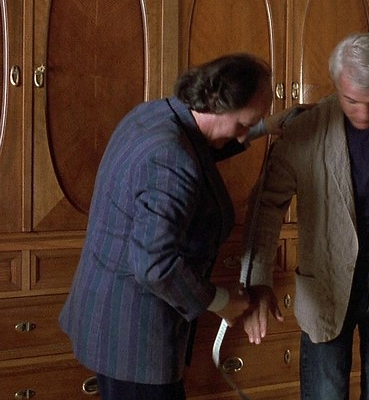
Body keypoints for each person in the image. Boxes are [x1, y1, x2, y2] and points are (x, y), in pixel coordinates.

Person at [59, 53, 283, 400]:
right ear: (218, 105)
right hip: (134, 337)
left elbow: (201, 145)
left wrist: (267, 126)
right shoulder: (171, 158)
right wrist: (221, 301)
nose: (242, 138)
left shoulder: (154, 115)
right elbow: (156, 265)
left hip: (108, 316)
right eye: (244, 125)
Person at [239, 33, 369, 400]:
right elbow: (266, 206)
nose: (363, 113)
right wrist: (257, 283)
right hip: (328, 279)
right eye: (352, 101)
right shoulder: (305, 129)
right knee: (325, 392)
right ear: (336, 86)